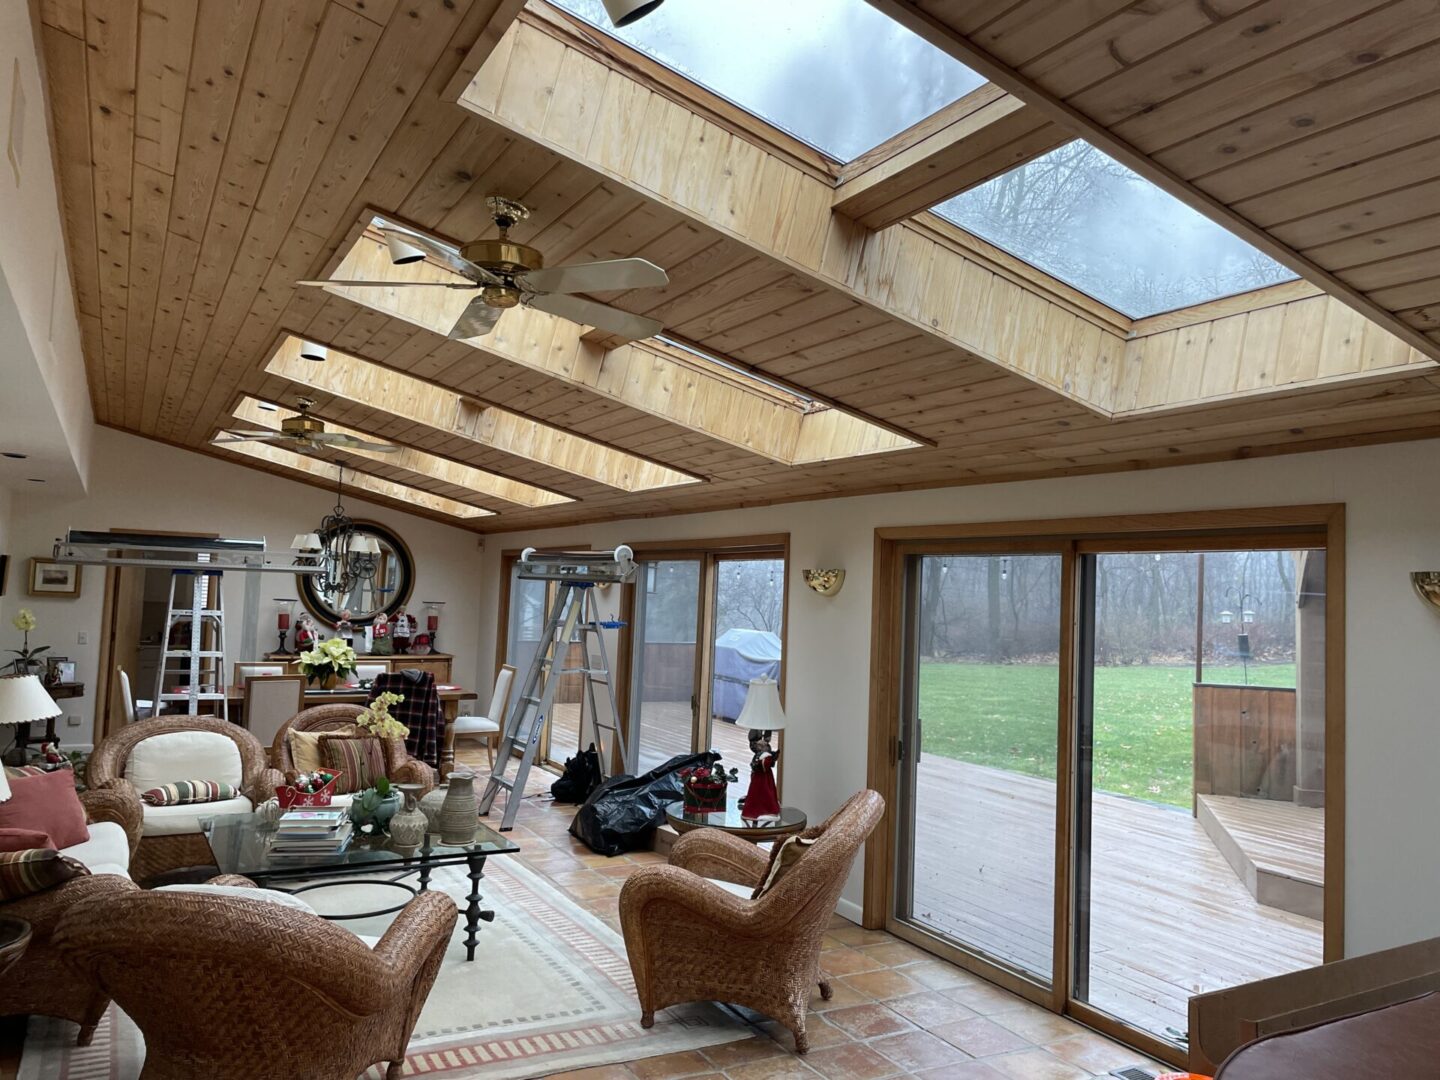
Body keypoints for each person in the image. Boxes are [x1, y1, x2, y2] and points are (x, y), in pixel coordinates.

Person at [741, 728, 781, 819]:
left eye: (758, 746)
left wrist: (758, 764)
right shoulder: (760, 754)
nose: (756, 747)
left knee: (765, 792)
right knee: (755, 793)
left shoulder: (766, 756)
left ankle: (767, 810)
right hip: (757, 776)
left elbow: (765, 766)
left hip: (763, 778)